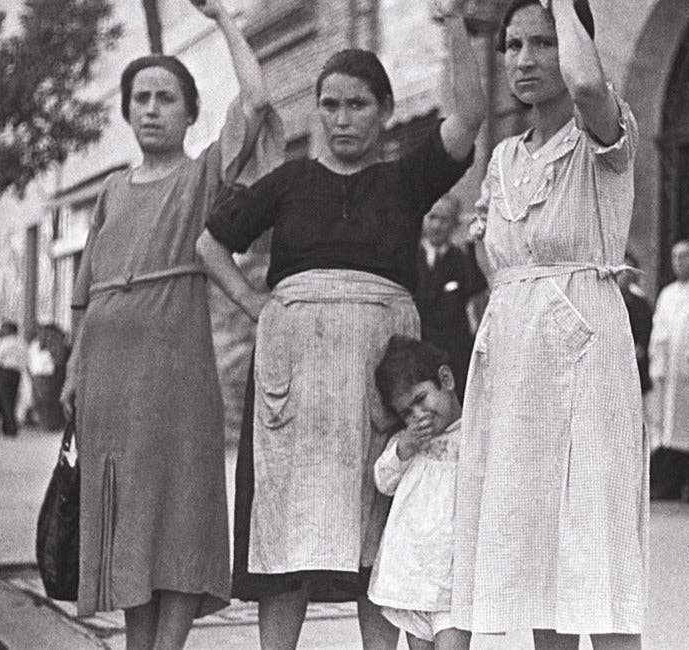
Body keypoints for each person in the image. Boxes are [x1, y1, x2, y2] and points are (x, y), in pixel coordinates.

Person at [196, 0, 484, 645]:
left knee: (377, 535)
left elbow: (467, 115)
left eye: (357, 104)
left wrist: (459, 21)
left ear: (384, 112)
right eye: (330, 104)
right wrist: (258, 306)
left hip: (375, 377)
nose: (341, 118)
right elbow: (211, 245)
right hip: (293, 380)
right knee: (285, 539)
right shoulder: (289, 181)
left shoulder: (405, 180)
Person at [58, 1, 283, 647]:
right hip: (108, 382)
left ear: (189, 112)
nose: (151, 108)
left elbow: (258, 100)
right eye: (140, 98)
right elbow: (82, 297)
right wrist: (75, 370)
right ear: (127, 111)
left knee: (180, 514)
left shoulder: (202, 176)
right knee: (128, 517)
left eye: (166, 98)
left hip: (177, 381)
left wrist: (223, 20)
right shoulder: (108, 192)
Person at [452, 1, 647, 646]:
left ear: (573, 43)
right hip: (516, 366)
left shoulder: (602, 130)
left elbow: (587, 83)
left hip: (588, 354)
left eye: (543, 41)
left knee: (596, 544)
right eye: (513, 45)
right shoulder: (504, 157)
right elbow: (501, 265)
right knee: (537, 555)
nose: (526, 59)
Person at [367, 336, 471, 650]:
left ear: (446, 379)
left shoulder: (475, 434)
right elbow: (383, 480)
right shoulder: (408, 443)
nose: (418, 416)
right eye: (407, 413)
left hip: (454, 575)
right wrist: (405, 447)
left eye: (421, 399)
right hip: (413, 574)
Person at [647, 240, 689, 501]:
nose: (680, 262)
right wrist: (658, 363)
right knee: (667, 426)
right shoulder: (667, 293)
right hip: (668, 370)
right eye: (675, 257)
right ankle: (669, 483)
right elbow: (659, 330)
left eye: (685, 257)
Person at [414, 195, 488, 401]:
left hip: (452, 356)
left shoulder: (463, 260)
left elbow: (477, 309)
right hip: (417, 351)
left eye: (444, 220)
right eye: (432, 217)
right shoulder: (408, 256)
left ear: (455, 224)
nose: (437, 226)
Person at [618, 252, 653, 395]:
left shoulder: (641, 304)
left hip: (635, 367)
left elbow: (645, 336)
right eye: (622, 271)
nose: (625, 275)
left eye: (629, 271)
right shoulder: (607, 303)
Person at [0, 320, 26, 438]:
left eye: (3, 328)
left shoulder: (4, 342)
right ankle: (8, 425)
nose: (1, 330)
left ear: (9, 330)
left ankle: (10, 427)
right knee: (13, 398)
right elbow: (25, 359)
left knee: (5, 399)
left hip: (4, 372)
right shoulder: (22, 343)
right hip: (17, 373)